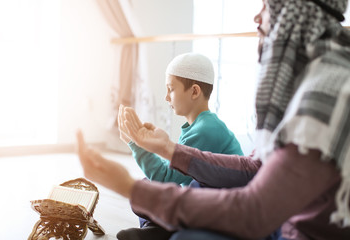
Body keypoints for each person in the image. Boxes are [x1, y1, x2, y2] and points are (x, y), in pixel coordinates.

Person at [76, 0, 350, 239]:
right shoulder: (310, 82)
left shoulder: (326, 91)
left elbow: (254, 213)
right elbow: (255, 167)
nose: (257, 18)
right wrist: (165, 148)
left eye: (266, 5)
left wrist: (128, 186)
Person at [118, 52, 243, 239]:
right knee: (144, 188)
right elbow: (173, 175)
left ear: (194, 91)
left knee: (146, 192)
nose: (166, 97)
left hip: (220, 212)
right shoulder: (201, 125)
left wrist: (136, 144)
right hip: (201, 203)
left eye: (171, 89)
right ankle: (158, 231)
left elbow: (166, 179)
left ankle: (158, 232)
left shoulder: (207, 130)